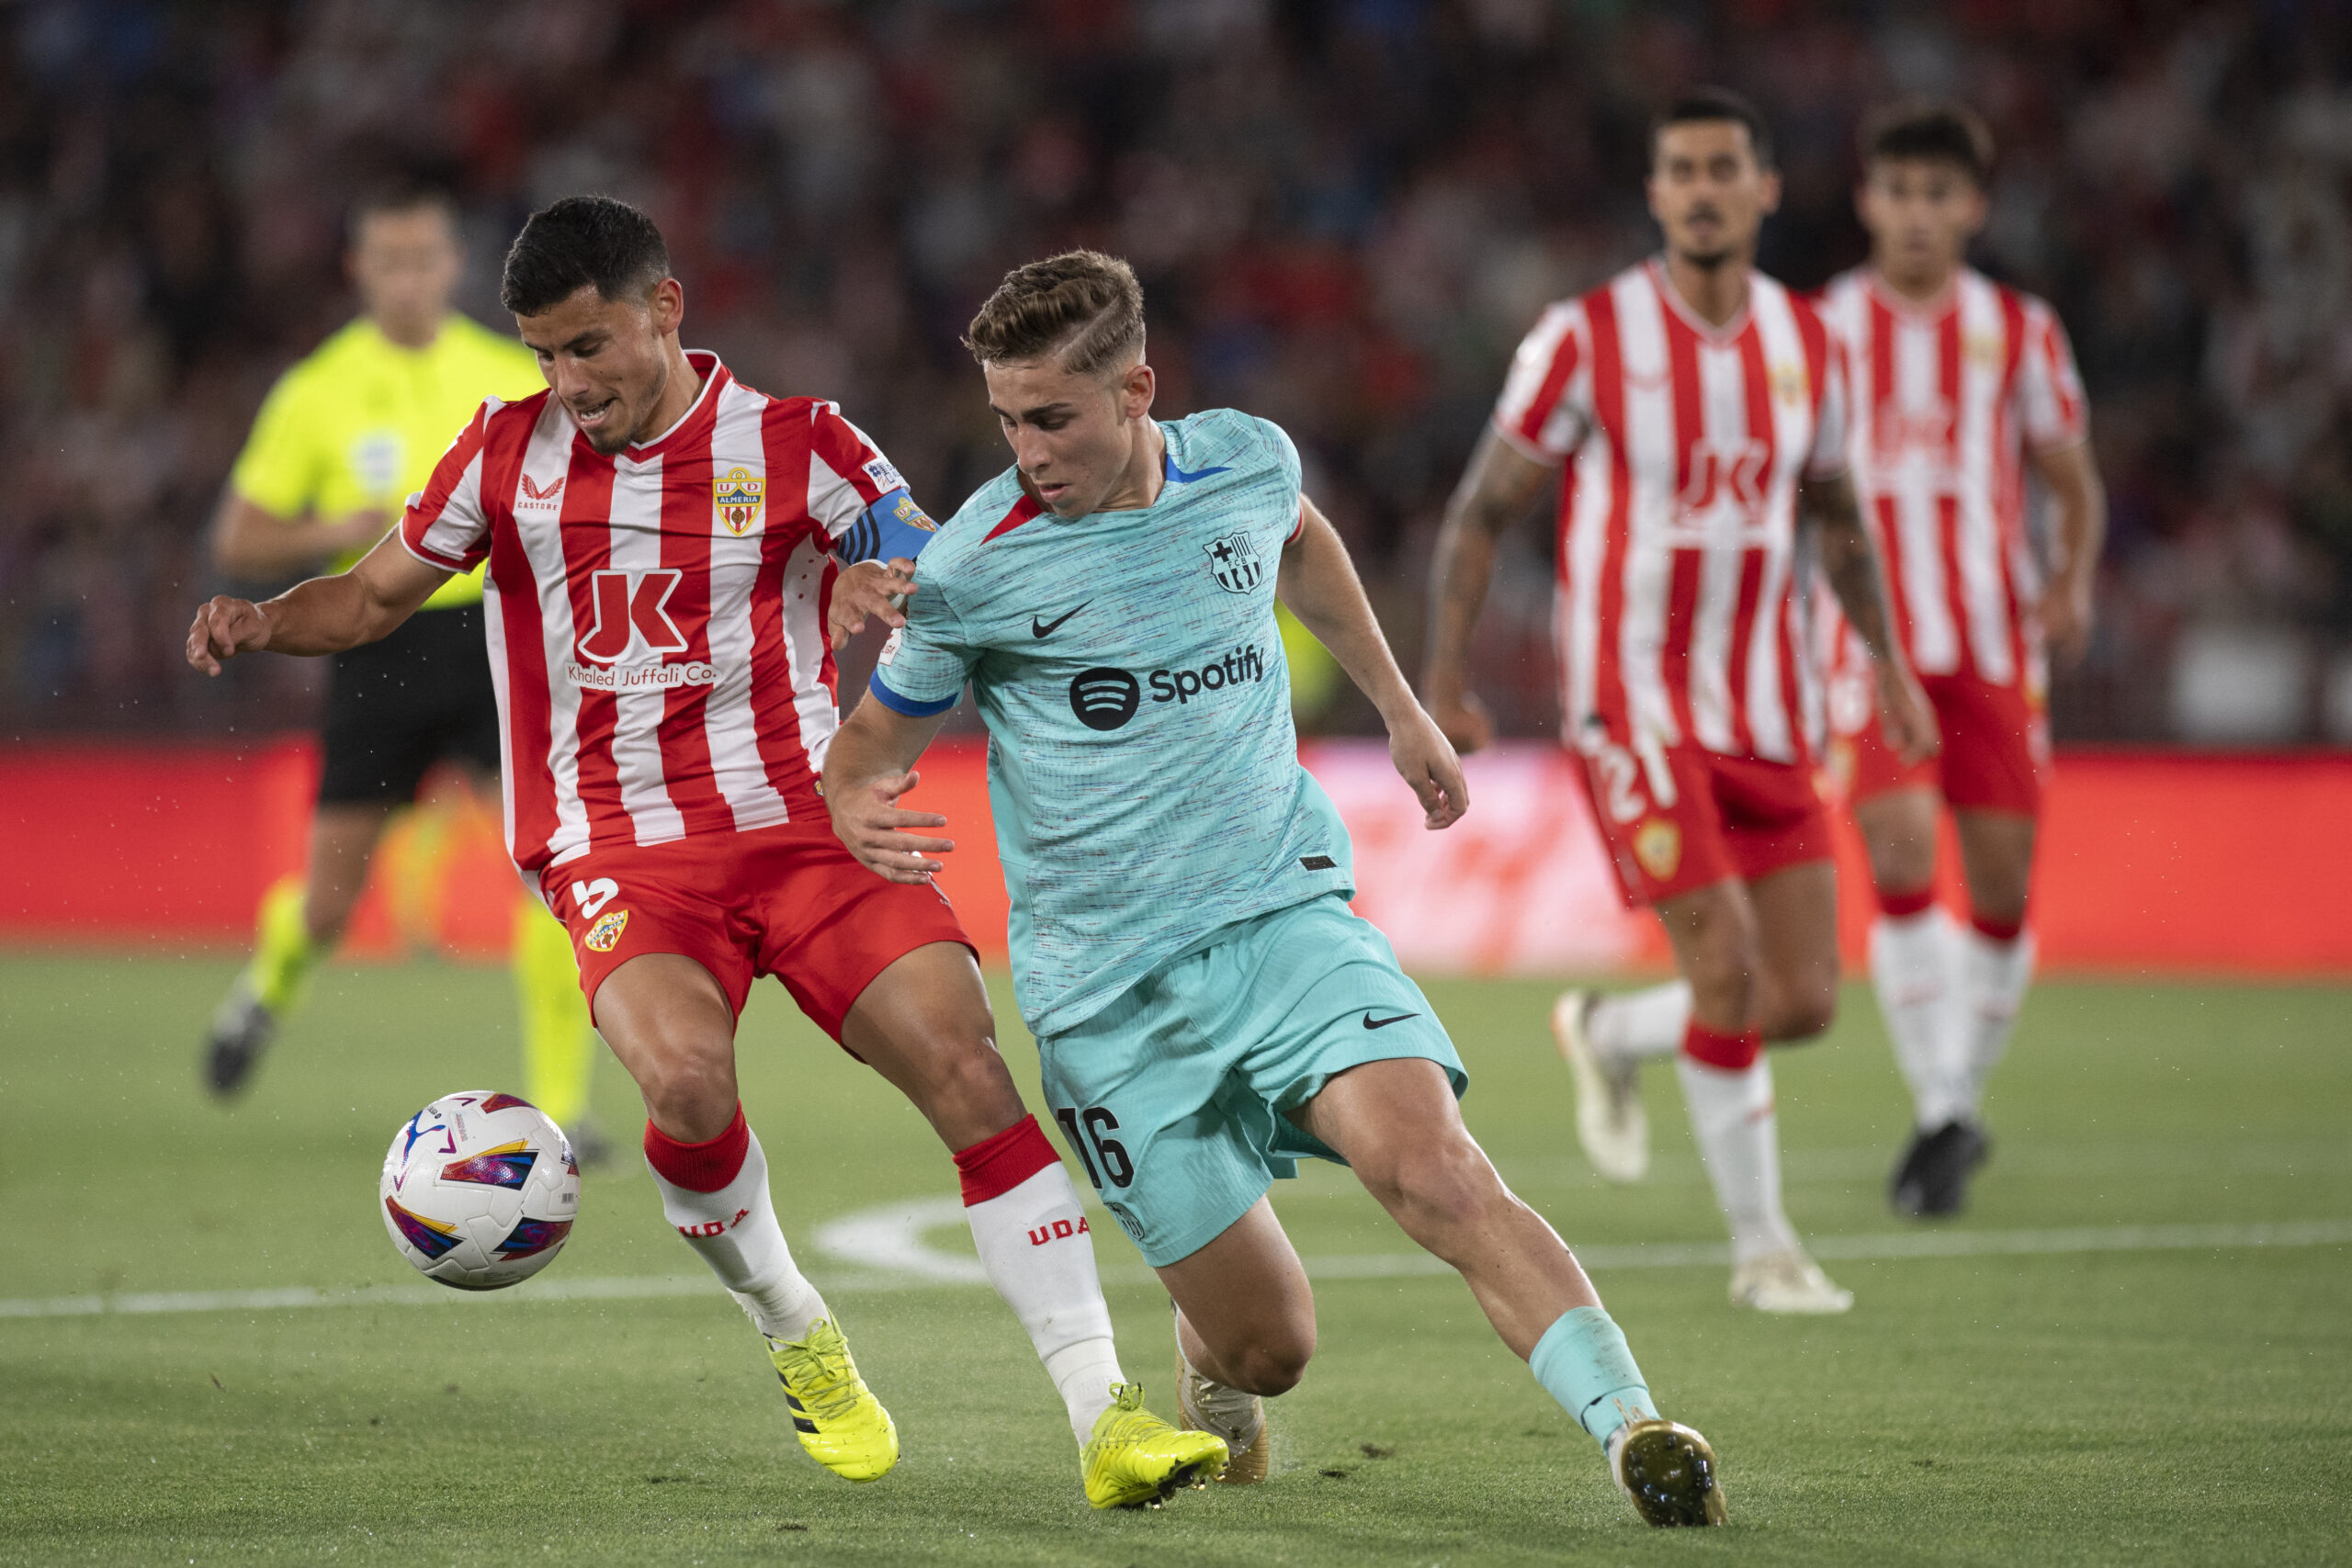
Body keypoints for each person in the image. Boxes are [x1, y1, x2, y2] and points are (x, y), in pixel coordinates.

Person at [186, 197, 1221, 1511]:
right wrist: (262, 619)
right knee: (682, 1080)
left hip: (804, 826)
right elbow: (375, 595)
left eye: (589, 345)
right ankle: (800, 1331)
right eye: (544, 354)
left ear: (664, 309)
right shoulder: (503, 455)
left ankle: (1103, 1412)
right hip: (615, 846)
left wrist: (880, 583)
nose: (569, 382)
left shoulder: (796, 441)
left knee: (965, 1060)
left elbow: (921, 557)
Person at [822, 250, 1728, 1528]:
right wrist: (856, 799)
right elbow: (867, 747)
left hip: (1282, 920)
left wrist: (1401, 706)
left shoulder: (1246, 460)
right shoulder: (979, 565)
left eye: (1055, 416)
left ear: (1137, 389)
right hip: (1104, 995)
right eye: (1008, 419)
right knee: (1272, 1346)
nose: (1027, 448)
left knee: (1437, 1173)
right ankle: (1218, 1378)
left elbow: (1299, 540)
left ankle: (1637, 1427)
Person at [1419, 89, 1936, 1314]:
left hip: (1772, 709)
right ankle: (1764, 1250)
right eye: (1681, 172)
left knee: (1800, 995)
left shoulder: (1812, 342)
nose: (1702, 189)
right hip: (1633, 705)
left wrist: (1896, 669)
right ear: (1656, 194)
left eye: (1724, 169)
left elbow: (1837, 519)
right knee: (1727, 960)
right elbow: (1484, 508)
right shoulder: (1587, 337)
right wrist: (1445, 673)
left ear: (1765, 188)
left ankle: (1610, 1032)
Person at [200, 186, 603, 1158]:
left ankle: (561, 1108)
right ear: (359, 269)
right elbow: (239, 535)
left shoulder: (508, 372)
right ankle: (263, 992)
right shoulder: (317, 390)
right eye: (390, 260)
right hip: (374, 645)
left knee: (545, 873)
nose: (409, 278)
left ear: (453, 265)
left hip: (492, 642)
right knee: (333, 900)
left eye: (425, 259)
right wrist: (334, 531)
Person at [1815, 101, 2105, 1217]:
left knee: (1997, 884)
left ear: (1973, 208)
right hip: (1870, 642)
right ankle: (1944, 1108)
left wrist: (2071, 579)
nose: (1918, 213)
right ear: (1867, 202)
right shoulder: (1825, 325)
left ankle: (1951, 1104)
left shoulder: (2019, 330)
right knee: (1896, 860)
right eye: (1899, 192)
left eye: (1940, 194)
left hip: (1990, 640)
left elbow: (2072, 478)